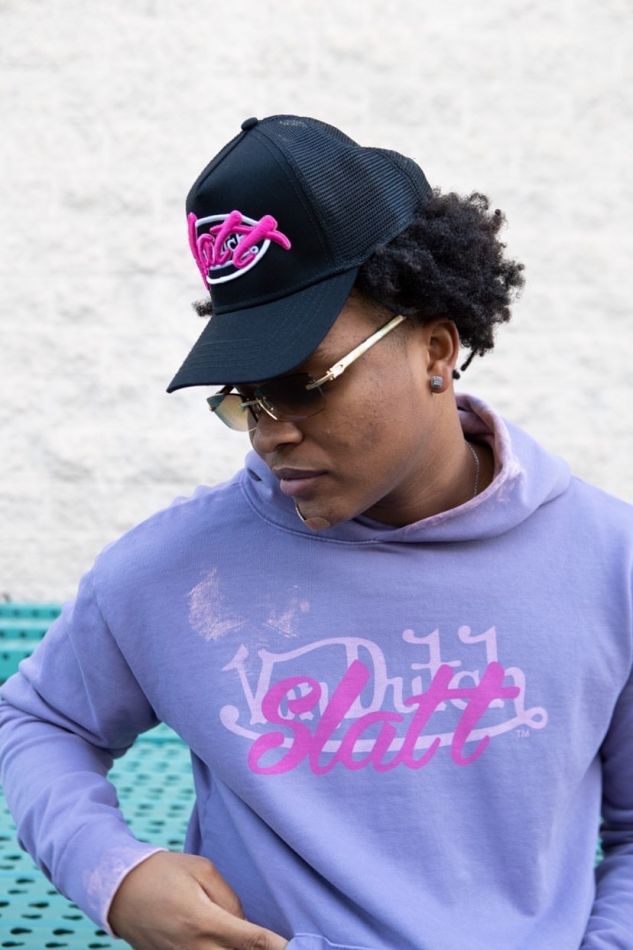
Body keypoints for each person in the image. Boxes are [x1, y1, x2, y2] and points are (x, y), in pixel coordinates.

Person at [1, 114, 632, 950]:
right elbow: (39, 721)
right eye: (244, 397)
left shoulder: (608, 563)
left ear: (435, 349)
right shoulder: (173, 571)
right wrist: (113, 873)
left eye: (306, 383)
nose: (270, 433)